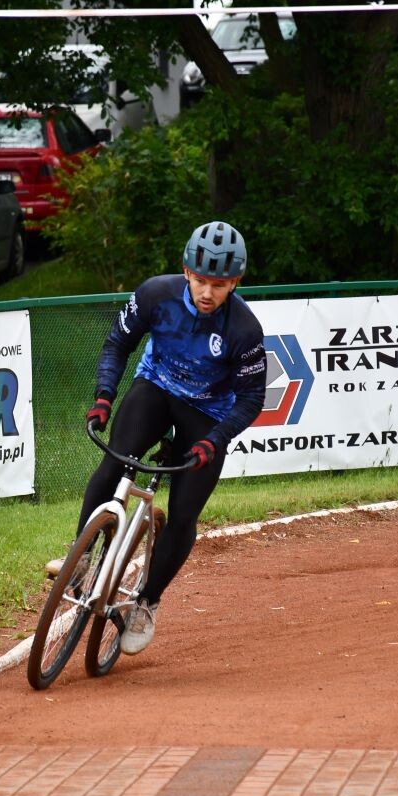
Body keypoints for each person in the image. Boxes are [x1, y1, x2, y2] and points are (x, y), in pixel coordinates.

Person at [69, 220, 266, 656]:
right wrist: (104, 396)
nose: (207, 292)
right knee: (114, 462)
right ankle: (80, 555)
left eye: (219, 284)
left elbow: (252, 398)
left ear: (235, 282)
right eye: (200, 280)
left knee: (183, 515)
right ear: (186, 271)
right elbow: (118, 343)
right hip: (156, 389)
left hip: (207, 413)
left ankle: (147, 601)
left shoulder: (244, 330)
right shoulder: (155, 294)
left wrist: (214, 440)